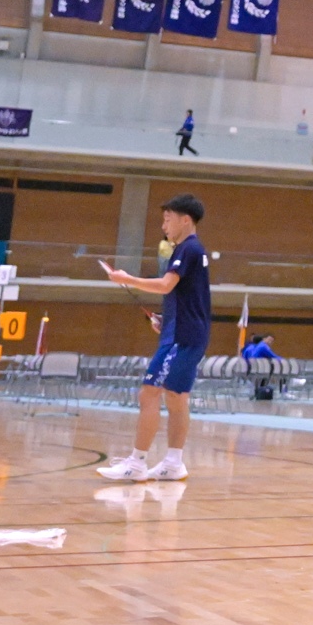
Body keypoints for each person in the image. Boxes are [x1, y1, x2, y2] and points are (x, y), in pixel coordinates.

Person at [96, 193, 211, 483]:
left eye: (168, 219)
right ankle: (173, 463)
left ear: (185, 220)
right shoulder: (190, 250)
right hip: (184, 331)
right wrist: (166, 319)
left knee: (149, 393)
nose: (164, 226)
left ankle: (137, 463)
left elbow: (165, 285)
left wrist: (128, 279)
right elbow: (185, 296)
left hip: (182, 337)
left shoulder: (188, 248)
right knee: (176, 397)